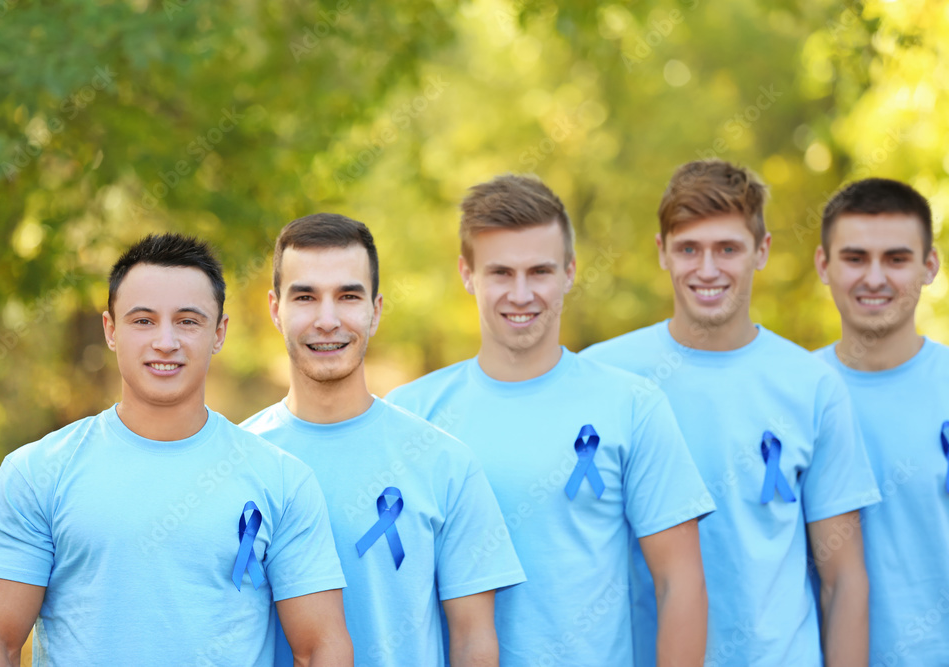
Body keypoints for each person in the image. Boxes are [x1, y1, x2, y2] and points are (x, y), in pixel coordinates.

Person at [0, 234, 352, 667]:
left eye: (188, 321)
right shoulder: (36, 472)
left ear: (219, 332)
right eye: (143, 321)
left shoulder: (282, 479)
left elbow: (321, 649)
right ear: (111, 331)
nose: (165, 342)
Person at [386, 175, 712, 666]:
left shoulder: (631, 405)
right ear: (467, 273)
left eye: (539, 271)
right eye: (501, 273)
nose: (521, 294)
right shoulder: (411, 414)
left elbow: (679, 582)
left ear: (569, 272)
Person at [582, 159, 882, 666]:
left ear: (761, 252)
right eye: (688, 249)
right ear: (662, 253)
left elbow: (843, 579)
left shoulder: (812, 386)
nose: (707, 269)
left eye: (727, 249)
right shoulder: (602, 376)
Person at [242, 214, 526, 667]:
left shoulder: (444, 463)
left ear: (375, 310)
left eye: (348, 296)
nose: (328, 319)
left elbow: (474, 641)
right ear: (276, 309)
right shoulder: (237, 462)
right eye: (306, 297)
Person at [813, 177, 947, 666]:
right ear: (823, 266)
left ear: (929, 266)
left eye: (896, 258)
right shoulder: (788, 393)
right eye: (854, 259)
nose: (874, 278)